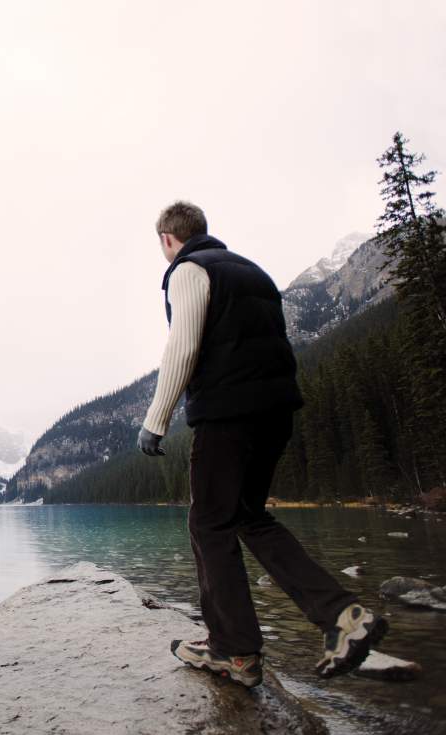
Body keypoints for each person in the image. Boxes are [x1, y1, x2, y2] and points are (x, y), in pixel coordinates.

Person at [137, 201, 388, 688]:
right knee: (250, 516)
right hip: (276, 413)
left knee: (210, 524)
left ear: (168, 239)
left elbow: (183, 345)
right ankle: (344, 617)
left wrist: (157, 419)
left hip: (228, 415)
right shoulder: (253, 272)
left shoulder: (188, 269)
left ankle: (235, 650)